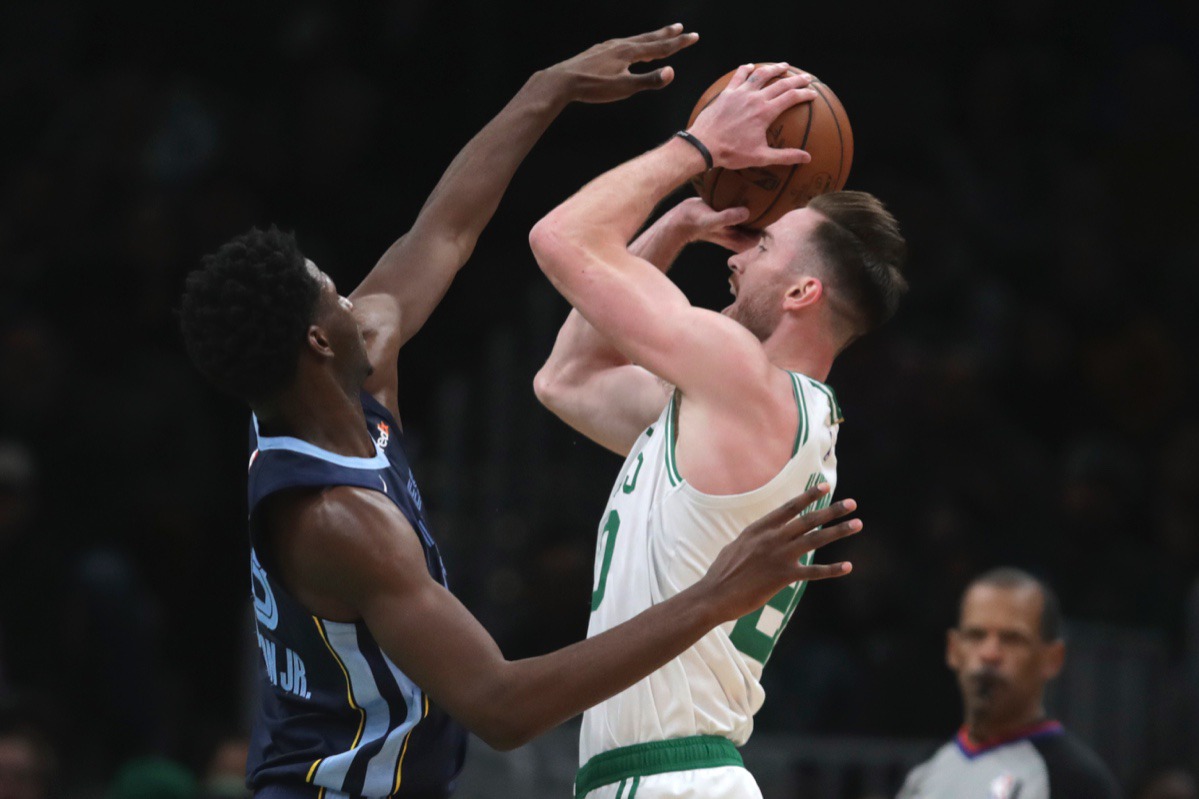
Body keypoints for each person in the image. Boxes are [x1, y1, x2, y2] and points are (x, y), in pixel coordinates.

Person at [179, 31, 864, 799]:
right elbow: (502, 706)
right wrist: (713, 595)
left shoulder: (350, 368)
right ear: (313, 341)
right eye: (333, 293)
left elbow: (444, 230)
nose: (357, 297)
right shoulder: (339, 521)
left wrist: (548, 87)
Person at [529, 62, 907, 797]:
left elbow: (559, 237)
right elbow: (564, 378)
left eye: (762, 246)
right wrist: (675, 225)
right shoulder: (735, 410)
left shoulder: (745, 381)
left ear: (804, 291)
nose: (734, 255)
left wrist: (695, 149)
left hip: (675, 779)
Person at [897, 568, 1122, 798]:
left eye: (1012, 639)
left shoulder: (1076, 782)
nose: (989, 653)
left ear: (1053, 659)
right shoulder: (923, 772)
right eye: (975, 635)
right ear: (953, 649)